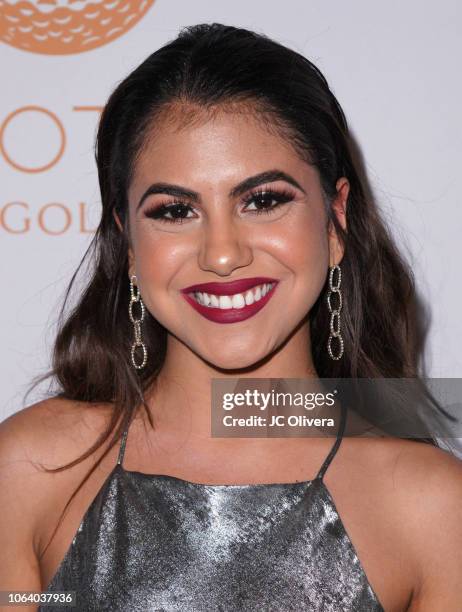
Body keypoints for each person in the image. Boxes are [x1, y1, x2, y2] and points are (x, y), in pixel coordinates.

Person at [1, 22, 461, 612]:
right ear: (129, 243)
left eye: (263, 200)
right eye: (174, 210)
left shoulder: (430, 509)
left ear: (335, 218)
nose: (223, 254)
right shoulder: (34, 470)